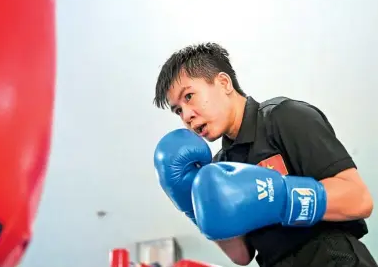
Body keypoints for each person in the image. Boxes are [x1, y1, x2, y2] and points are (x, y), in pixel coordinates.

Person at [152, 42, 376, 267]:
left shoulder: (284, 117)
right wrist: (195, 207)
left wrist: (283, 198)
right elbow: (242, 255)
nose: (187, 115)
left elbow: (359, 200)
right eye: (178, 110)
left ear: (223, 82)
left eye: (189, 96)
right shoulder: (220, 167)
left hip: (333, 258)